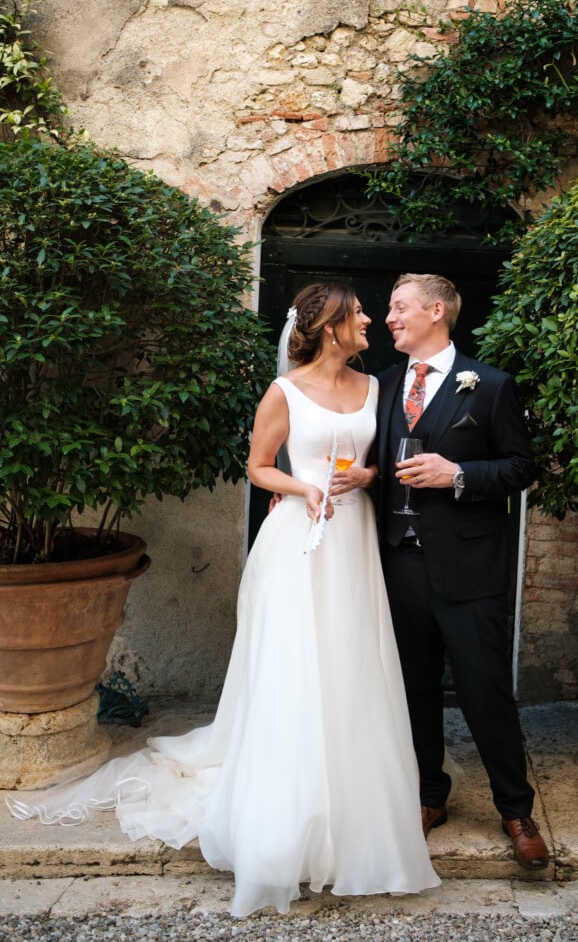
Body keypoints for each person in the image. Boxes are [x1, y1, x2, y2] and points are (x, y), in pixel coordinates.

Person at [8, 283, 440, 915]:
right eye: (359, 314)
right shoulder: (284, 391)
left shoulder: (376, 388)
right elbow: (257, 466)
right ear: (328, 328)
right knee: (294, 665)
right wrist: (301, 487)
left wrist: (365, 477)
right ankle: (285, 808)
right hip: (298, 540)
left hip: (352, 537)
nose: (371, 319)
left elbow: (376, 462)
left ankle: (353, 799)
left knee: (352, 661)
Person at [376, 272, 549, 870]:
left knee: (485, 690)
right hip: (399, 562)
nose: (389, 318)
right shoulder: (383, 386)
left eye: (399, 308)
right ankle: (430, 795)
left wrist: (458, 476)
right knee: (413, 688)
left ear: (436, 312)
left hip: (471, 567)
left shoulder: (491, 386)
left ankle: (516, 809)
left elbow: (522, 468)